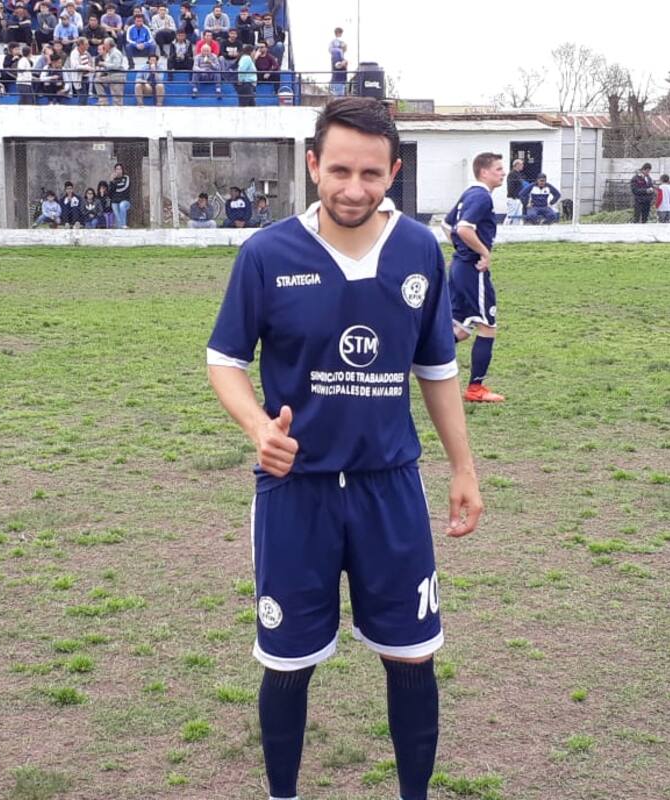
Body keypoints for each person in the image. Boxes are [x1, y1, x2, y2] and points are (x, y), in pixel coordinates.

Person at [206, 96, 482, 800]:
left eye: (370, 173)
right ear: (312, 166)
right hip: (295, 493)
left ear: (393, 172)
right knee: (287, 663)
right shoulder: (267, 253)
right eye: (338, 171)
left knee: (412, 658)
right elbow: (224, 360)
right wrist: (257, 430)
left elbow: (437, 370)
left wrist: (463, 467)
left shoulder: (420, 250)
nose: (352, 188)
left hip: (388, 488)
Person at [442, 152, 506, 403]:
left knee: (461, 328)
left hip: (460, 266)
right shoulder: (481, 197)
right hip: (472, 270)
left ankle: (409, 357)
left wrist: (460, 250)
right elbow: (463, 228)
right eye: (499, 169)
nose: (503, 173)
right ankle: (475, 389)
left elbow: (447, 226)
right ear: (484, 172)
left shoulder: (469, 194)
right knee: (487, 326)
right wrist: (482, 252)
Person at [95, 38, 126, 105]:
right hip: (111, 75)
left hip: (117, 76)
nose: (104, 46)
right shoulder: (110, 53)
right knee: (97, 80)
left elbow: (116, 66)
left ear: (108, 45)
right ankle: (103, 100)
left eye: (104, 44)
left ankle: (104, 101)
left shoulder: (115, 53)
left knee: (117, 99)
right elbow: (109, 65)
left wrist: (104, 64)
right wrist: (102, 72)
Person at [504, 158, 527, 223]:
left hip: (518, 199)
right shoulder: (512, 174)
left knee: (518, 216)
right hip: (513, 199)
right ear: (517, 165)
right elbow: (510, 187)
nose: (523, 166)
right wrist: (514, 197)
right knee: (510, 215)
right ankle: (505, 228)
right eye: (521, 164)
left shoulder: (518, 174)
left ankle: (515, 230)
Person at [109, 163, 130, 228]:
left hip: (125, 201)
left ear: (122, 170)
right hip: (115, 202)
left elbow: (125, 187)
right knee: (118, 219)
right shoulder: (113, 180)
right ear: (115, 171)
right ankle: (121, 230)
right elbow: (110, 193)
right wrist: (112, 181)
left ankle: (123, 225)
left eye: (120, 169)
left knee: (122, 205)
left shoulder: (126, 178)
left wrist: (116, 187)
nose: (118, 171)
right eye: (117, 169)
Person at [235, 42, 256, 106]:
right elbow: (241, 70)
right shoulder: (247, 58)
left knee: (252, 105)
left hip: (249, 85)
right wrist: (240, 80)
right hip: (246, 84)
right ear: (251, 51)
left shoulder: (247, 58)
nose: (255, 53)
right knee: (244, 104)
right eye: (254, 51)